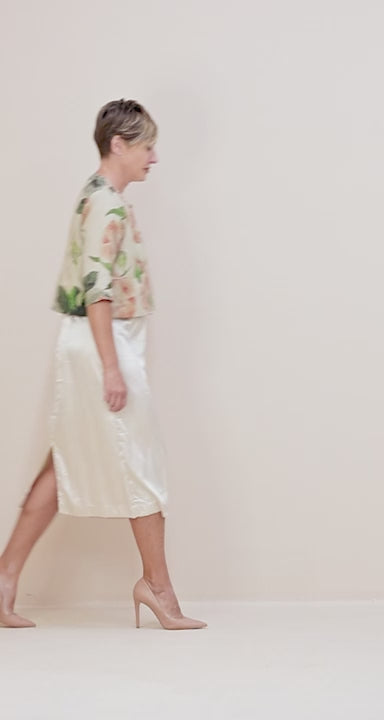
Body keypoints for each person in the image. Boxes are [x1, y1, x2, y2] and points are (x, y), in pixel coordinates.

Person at [0, 99, 206, 630]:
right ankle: (157, 586)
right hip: (102, 343)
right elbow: (97, 291)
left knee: (62, 465)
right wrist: (112, 369)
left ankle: (2, 580)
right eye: (147, 146)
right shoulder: (104, 204)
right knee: (141, 461)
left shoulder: (102, 198)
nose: (154, 157)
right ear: (119, 144)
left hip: (100, 342)